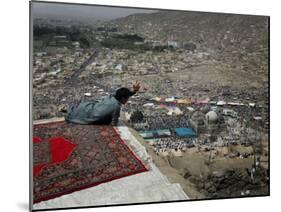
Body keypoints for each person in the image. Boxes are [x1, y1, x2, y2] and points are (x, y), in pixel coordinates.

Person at [65, 81, 141, 126]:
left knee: (77, 110)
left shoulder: (113, 96)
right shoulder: (116, 107)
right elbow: (114, 123)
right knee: (79, 116)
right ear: (123, 98)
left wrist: (134, 91)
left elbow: (124, 95)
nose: (127, 100)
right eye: (127, 98)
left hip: (89, 107)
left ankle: (68, 110)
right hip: (92, 114)